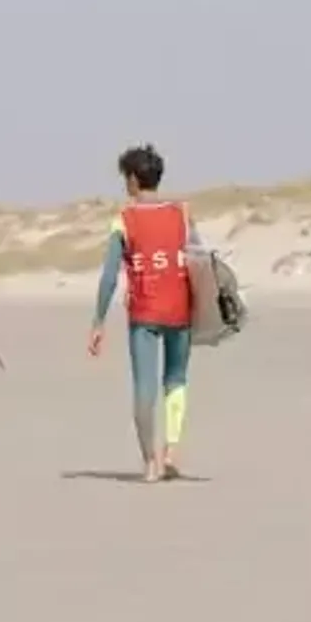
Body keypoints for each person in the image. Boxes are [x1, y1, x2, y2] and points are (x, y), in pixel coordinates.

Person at [86, 142, 198, 482]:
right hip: (181, 308)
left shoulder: (125, 218)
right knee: (176, 380)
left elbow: (108, 277)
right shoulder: (182, 213)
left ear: (134, 179)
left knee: (144, 387)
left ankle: (151, 461)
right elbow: (199, 260)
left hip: (145, 313)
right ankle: (172, 451)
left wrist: (98, 320)